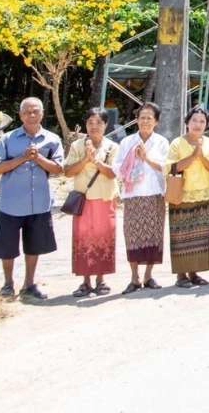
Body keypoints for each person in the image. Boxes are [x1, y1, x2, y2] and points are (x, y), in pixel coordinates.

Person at [0, 98, 64, 301]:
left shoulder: (52, 139)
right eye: (27, 112)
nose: (31, 115)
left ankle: (29, 284)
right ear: (20, 115)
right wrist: (22, 158)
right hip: (11, 204)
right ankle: (8, 284)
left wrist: (38, 158)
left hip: (39, 203)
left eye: (35, 111)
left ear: (42, 114)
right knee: (7, 248)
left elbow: (59, 169)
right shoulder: (7, 139)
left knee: (34, 246)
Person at [114, 103, 169, 294]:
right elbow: (117, 167)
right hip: (133, 195)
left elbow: (165, 167)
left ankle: (148, 275)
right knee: (133, 236)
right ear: (136, 120)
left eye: (149, 118)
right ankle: (134, 276)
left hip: (154, 194)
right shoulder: (127, 142)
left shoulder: (161, 142)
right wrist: (130, 167)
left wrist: (145, 158)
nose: (145, 121)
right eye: (142, 117)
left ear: (156, 122)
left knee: (154, 235)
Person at [63, 108, 118, 298]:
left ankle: (101, 280)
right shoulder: (78, 146)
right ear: (85, 124)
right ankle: (85, 281)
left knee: (104, 238)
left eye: (99, 123)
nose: (94, 126)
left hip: (105, 198)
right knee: (83, 239)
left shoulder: (112, 147)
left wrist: (97, 162)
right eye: (90, 122)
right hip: (83, 199)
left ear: (105, 125)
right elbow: (68, 171)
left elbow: (113, 173)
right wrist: (86, 158)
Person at [165, 106, 209, 288]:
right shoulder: (177, 143)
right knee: (181, 237)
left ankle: (194, 273)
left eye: (202, 121)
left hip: (202, 194)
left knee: (199, 238)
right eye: (194, 120)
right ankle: (181, 275)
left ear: (207, 125)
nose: (198, 124)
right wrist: (194, 155)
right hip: (181, 196)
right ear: (187, 122)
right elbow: (171, 167)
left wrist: (201, 156)